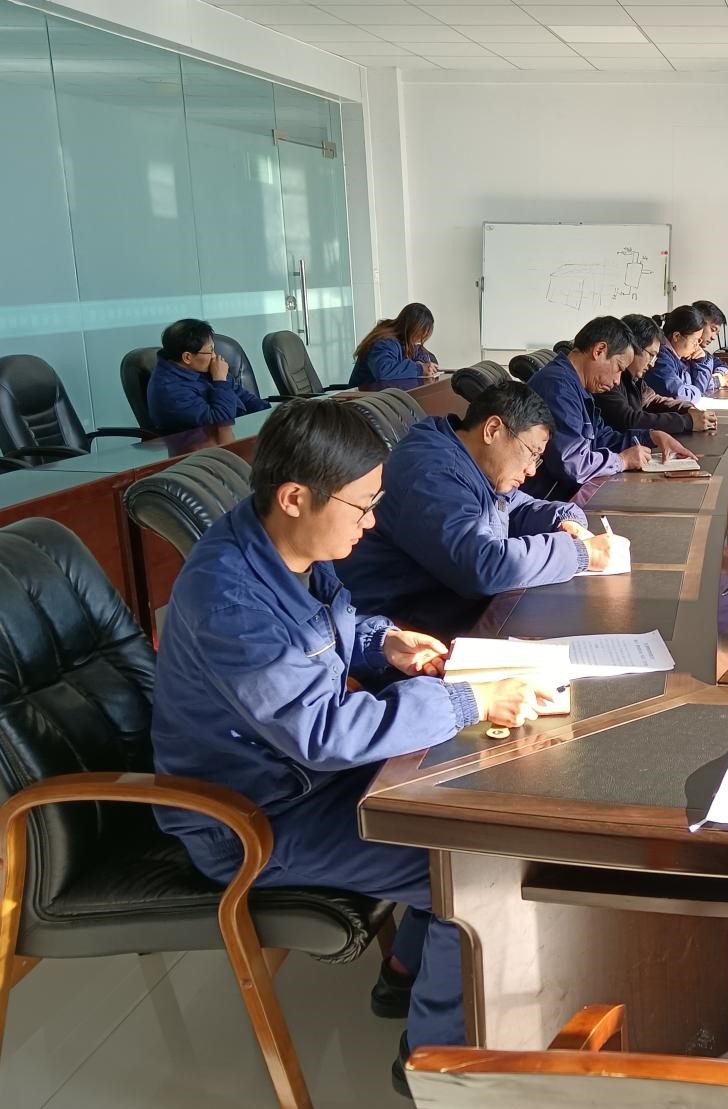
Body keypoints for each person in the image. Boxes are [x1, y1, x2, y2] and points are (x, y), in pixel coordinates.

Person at [150, 399, 554, 1094]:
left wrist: (384, 640)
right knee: (476, 864)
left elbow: (338, 621)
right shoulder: (231, 600)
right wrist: (469, 699)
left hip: (305, 777)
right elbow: (324, 732)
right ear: (295, 496)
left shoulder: (286, 545)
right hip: (255, 815)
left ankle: (406, 973)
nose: (371, 523)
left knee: (470, 794)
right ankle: (433, 1065)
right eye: (363, 506)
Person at [337, 381, 624, 640]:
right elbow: (482, 567)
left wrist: (565, 520)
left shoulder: (470, 462)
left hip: (448, 605)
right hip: (400, 629)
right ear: (493, 430)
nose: (531, 470)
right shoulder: (433, 472)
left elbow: (517, 507)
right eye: (532, 453)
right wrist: (581, 554)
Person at [525, 315, 695, 500]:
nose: (617, 381)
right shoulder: (558, 387)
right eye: (619, 368)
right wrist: (621, 461)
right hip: (550, 500)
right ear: (599, 350)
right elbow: (572, 464)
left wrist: (651, 436)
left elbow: (602, 438)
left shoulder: (578, 386)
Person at [595, 314, 719, 436]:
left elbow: (652, 400)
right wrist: (687, 421)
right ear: (632, 348)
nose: (652, 364)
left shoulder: (634, 379)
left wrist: (687, 409)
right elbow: (629, 420)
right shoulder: (609, 379)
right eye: (651, 355)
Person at [146, 318, 270, 434]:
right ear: (187, 357)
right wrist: (220, 381)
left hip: (240, 432)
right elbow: (221, 424)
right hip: (203, 445)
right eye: (210, 351)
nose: (215, 356)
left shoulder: (200, 367)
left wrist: (269, 416)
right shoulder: (169, 390)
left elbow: (244, 397)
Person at [348, 303, 439, 388]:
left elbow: (428, 357)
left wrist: (422, 363)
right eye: (419, 335)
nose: (420, 340)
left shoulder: (405, 341)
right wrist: (419, 368)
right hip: (363, 396)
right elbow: (383, 370)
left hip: (383, 394)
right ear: (412, 328)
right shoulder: (383, 341)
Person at [646, 305, 712, 402]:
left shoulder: (682, 355)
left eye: (699, 340)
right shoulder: (660, 358)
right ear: (676, 336)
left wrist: (700, 361)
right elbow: (678, 394)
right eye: (695, 340)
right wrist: (697, 392)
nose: (697, 345)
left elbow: (702, 387)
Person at [690, 299, 728, 390]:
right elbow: (695, 385)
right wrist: (720, 380)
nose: (713, 337)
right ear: (698, 323)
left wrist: (719, 374)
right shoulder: (683, 353)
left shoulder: (702, 352)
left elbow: (722, 365)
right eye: (713, 330)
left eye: (716, 334)